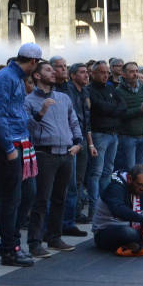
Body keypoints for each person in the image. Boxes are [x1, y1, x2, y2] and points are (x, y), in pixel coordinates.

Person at [0, 42, 42, 267]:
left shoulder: (15, 78)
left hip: (20, 141)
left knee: (27, 194)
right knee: (13, 199)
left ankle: (14, 244)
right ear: (33, 62)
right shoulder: (5, 78)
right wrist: (8, 148)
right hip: (8, 145)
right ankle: (9, 249)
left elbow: (15, 112)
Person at [24, 61, 81, 256]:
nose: (54, 72)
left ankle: (54, 237)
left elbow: (73, 120)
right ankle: (34, 242)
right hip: (44, 154)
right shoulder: (29, 101)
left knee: (60, 198)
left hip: (65, 153)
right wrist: (41, 113)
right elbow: (26, 128)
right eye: (48, 70)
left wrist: (78, 141)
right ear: (37, 76)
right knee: (41, 200)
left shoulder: (63, 97)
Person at [84, 61, 126, 221]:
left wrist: (111, 109)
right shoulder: (89, 90)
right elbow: (99, 107)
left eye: (106, 72)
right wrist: (113, 109)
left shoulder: (110, 88)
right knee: (96, 172)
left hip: (113, 133)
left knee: (108, 171)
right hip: (99, 134)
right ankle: (94, 209)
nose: (105, 75)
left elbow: (123, 106)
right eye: (101, 72)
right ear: (93, 73)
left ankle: (107, 205)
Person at [92, 164, 143, 253]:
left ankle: (136, 243)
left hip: (134, 226)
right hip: (106, 231)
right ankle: (141, 241)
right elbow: (118, 209)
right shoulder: (115, 187)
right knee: (129, 233)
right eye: (140, 185)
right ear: (129, 179)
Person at [58, 62, 94, 233]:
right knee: (69, 185)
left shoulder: (85, 91)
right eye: (82, 72)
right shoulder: (66, 91)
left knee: (79, 181)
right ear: (73, 76)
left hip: (82, 141)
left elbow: (86, 120)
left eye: (87, 72)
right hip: (71, 142)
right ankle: (66, 222)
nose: (86, 75)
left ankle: (75, 214)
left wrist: (90, 142)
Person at [115, 61, 143, 173]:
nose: (135, 74)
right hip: (128, 136)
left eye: (136, 71)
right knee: (130, 170)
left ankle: (140, 190)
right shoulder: (118, 91)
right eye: (131, 71)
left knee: (142, 170)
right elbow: (121, 114)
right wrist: (140, 109)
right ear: (124, 74)